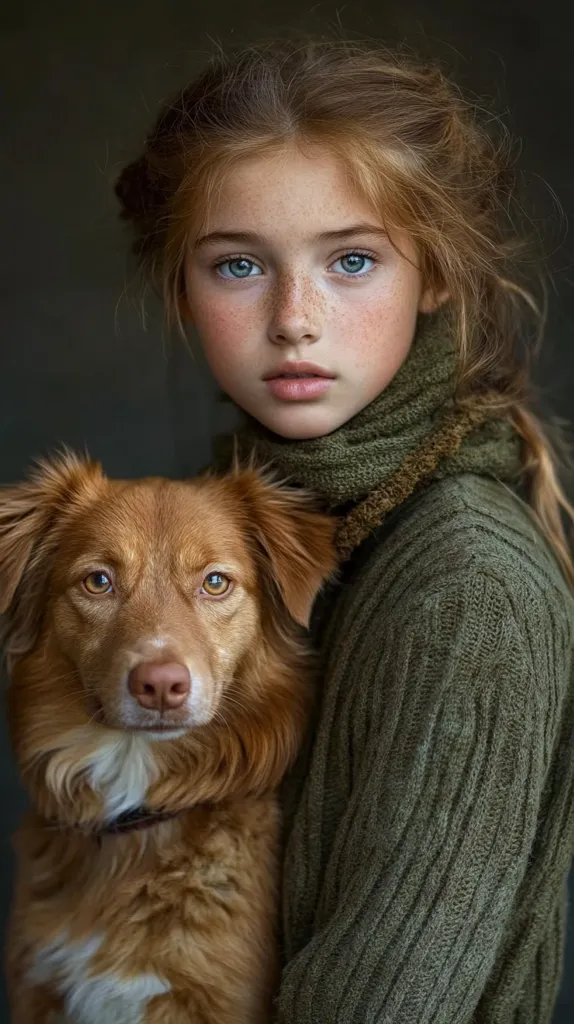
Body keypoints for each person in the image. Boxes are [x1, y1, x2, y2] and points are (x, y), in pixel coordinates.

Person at [115, 37, 574, 1023]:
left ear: (438, 275)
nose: (293, 318)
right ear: (179, 289)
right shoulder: (234, 531)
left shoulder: (464, 582)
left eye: (352, 261)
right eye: (237, 265)